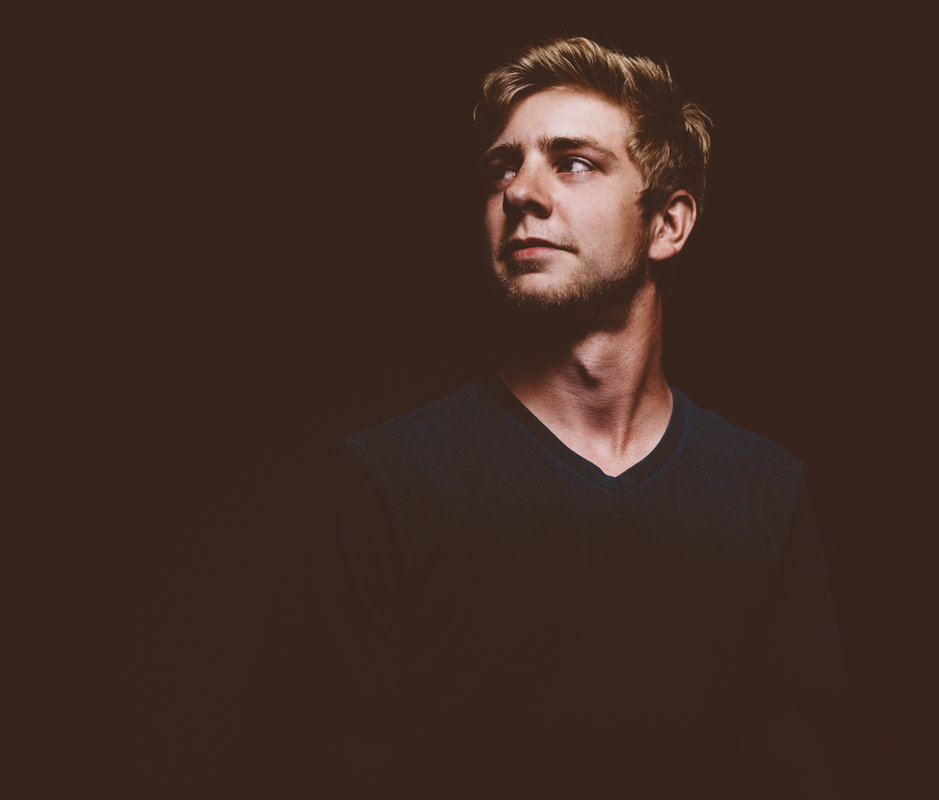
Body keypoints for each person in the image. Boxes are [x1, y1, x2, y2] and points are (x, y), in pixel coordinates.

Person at [301, 37, 843, 799]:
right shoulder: (386, 481)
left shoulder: (767, 490)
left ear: (667, 225)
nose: (521, 192)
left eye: (574, 163)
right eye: (503, 167)